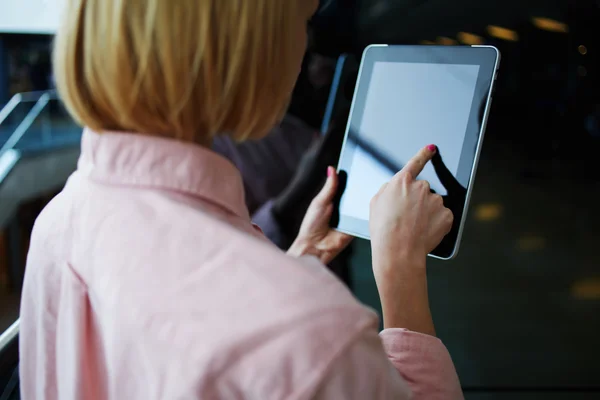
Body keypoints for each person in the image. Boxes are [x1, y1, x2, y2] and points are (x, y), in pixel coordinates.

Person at [19, 0, 461, 399]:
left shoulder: (59, 220)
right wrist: (399, 271)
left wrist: (293, 262)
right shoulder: (317, 336)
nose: (305, 45)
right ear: (247, 46)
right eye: (302, 20)